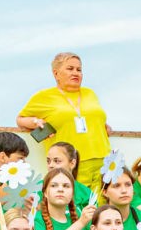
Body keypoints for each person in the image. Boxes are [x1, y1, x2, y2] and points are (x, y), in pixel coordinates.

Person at [15, 53, 110, 189]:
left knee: (103, 201)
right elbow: (20, 120)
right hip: (70, 162)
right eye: (70, 69)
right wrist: (36, 122)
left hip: (103, 160)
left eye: (79, 69)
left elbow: (92, 117)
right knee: (75, 200)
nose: (75, 73)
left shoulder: (90, 93)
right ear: (56, 73)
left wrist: (103, 125)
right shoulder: (44, 96)